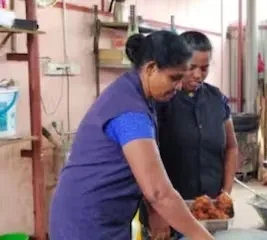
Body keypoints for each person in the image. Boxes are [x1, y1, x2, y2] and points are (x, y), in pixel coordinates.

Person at [49, 30, 214, 240]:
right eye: (174, 78)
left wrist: (156, 212)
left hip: (101, 214)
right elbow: (158, 192)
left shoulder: (135, 93)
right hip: (87, 220)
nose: (179, 86)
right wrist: (204, 237)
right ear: (151, 68)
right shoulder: (130, 113)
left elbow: (143, 170)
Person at [140, 31, 239, 239]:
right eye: (191, 67)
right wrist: (155, 210)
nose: (198, 75)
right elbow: (142, 164)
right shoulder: (160, 101)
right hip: (168, 215)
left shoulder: (217, 99)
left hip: (211, 215)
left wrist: (226, 194)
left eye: (204, 68)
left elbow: (232, 148)